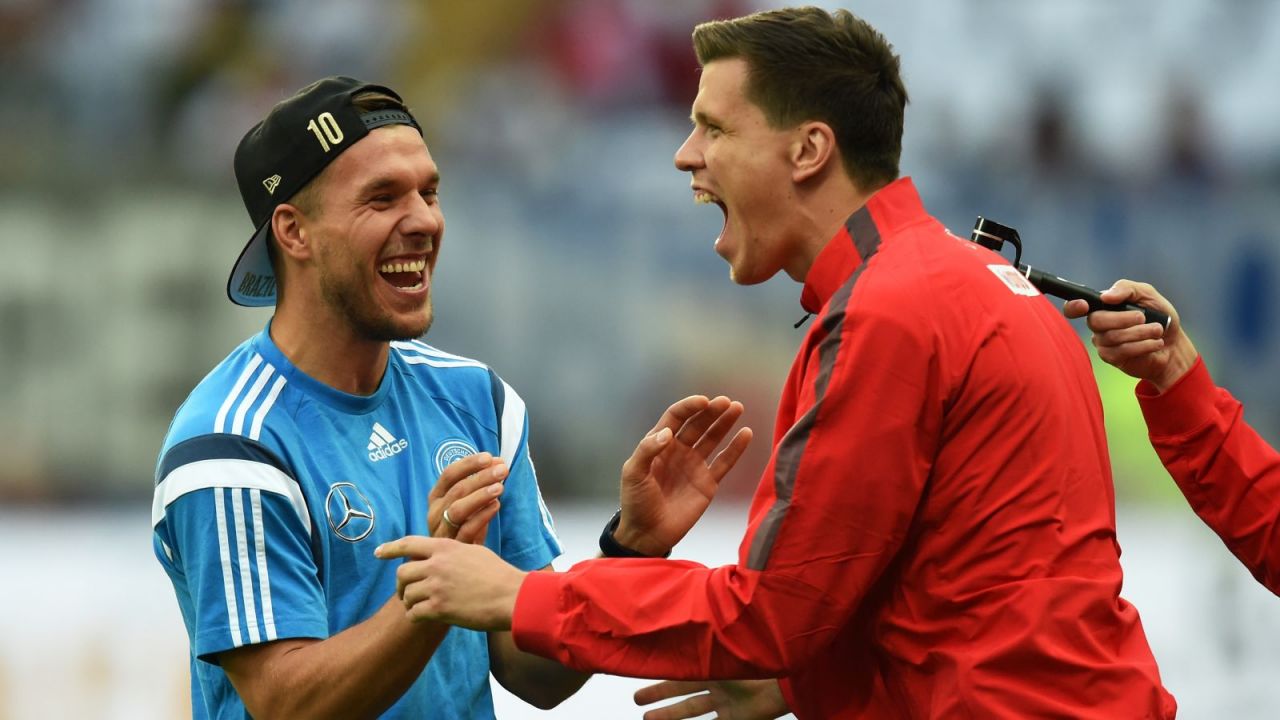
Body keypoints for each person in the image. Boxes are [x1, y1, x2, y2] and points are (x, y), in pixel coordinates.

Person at [375, 8, 1177, 719]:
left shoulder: (889, 312)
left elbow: (772, 615)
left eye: (715, 128)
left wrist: (524, 595)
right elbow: (967, 589)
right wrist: (809, 681)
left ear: (808, 150)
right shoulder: (980, 284)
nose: (686, 155)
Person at [149, 76, 752, 719]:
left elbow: (534, 676)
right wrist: (438, 590)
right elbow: (286, 705)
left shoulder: (476, 402)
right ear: (294, 232)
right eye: (382, 198)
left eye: (429, 192)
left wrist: (628, 548)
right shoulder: (230, 445)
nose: (424, 221)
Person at [1065, 280, 1280, 595]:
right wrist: (1175, 370)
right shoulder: (1192, 349)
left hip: (1137, 529)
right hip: (1161, 529)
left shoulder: (1083, 357)